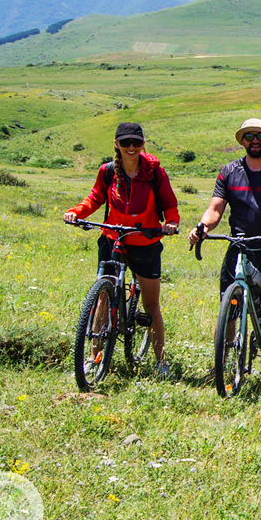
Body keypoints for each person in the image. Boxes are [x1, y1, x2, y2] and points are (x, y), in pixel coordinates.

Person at [187, 118, 261, 383]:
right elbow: (216, 208)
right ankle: (223, 364)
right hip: (240, 245)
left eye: (260, 136)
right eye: (249, 136)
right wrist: (203, 227)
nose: (255, 140)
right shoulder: (229, 171)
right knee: (228, 308)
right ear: (242, 141)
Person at [64, 122, 181, 377]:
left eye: (136, 143)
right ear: (116, 144)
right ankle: (94, 357)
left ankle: (161, 363)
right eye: (125, 143)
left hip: (145, 241)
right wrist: (76, 212)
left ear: (142, 145)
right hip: (112, 238)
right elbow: (95, 198)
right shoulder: (107, 172)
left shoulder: (154, 172)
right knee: (102, 297)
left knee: (151, 305)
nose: (131, 148)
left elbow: (170, 203)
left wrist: (171, 223)